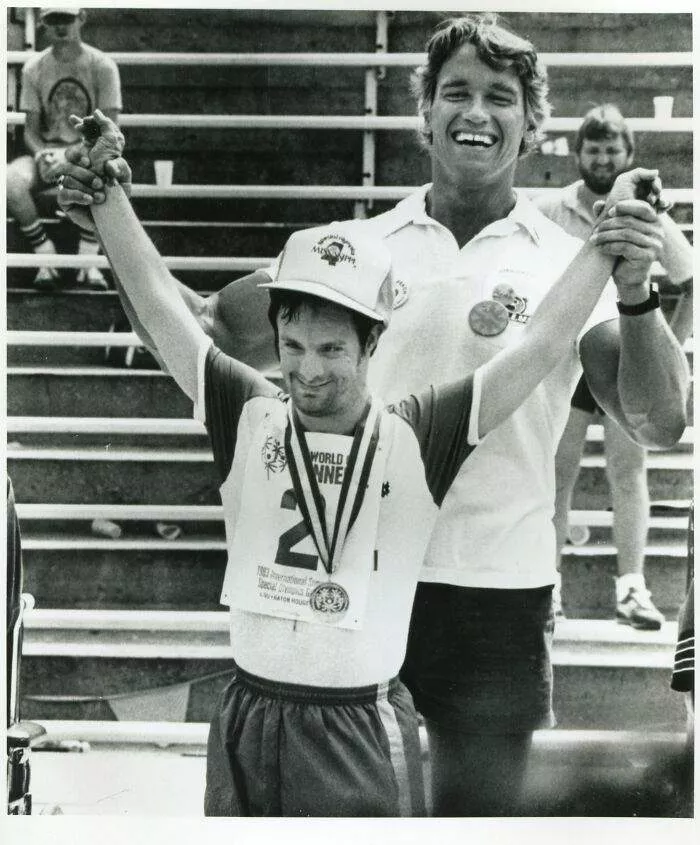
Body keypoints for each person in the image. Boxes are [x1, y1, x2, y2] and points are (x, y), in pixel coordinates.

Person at [57, 14, 689, 817]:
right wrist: (110, 223)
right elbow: (201, 330)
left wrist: (634, 292)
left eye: (501, 97)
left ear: (534, 126)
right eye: (455, 91)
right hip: (343, 577)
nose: (476, 112)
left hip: (493, 587)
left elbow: (661, 420)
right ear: (422, 111)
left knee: (476, 824)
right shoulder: (352, 247)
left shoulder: (568, 264)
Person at [535, 104, 694, 629]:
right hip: (569, 357)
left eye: (613, 150)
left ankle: (632, 588)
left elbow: (690, 278)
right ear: (577, 154)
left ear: (629, 156)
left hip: (624, 357)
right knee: (557, 474)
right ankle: (547, 586)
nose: (603, 158)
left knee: (629, 472)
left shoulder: (648, 210)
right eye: (593, 148)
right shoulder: (551, 209)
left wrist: (670, 343)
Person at [6, 7, 122, 291]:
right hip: (46, 151)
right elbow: (31, 131)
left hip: (88, 149)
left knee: (105, 167)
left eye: (67, 19)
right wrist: (41, 154)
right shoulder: (34, 68)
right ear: (44, 24)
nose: (60, 27)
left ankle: (87, 263)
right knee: (8, 179)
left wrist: (69, 154)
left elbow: (109, 130)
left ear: (81, 18)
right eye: (53, 20)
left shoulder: (102, 65)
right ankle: (46, 257)